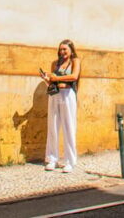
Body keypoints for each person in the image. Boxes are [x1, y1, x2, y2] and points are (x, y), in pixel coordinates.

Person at [41, 39, 81, 173]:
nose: (62, 52)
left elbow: (74, 76)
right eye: (61, 49)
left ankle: (70, 160)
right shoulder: (55, 64)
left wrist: (56, 78)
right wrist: (47, 79)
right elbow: (52, 83)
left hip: (68, 94)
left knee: (69, 127)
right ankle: (52, 158)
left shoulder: (75, 61)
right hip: (55, 94)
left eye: (65, 49)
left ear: (71, 50)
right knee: (52, 126)